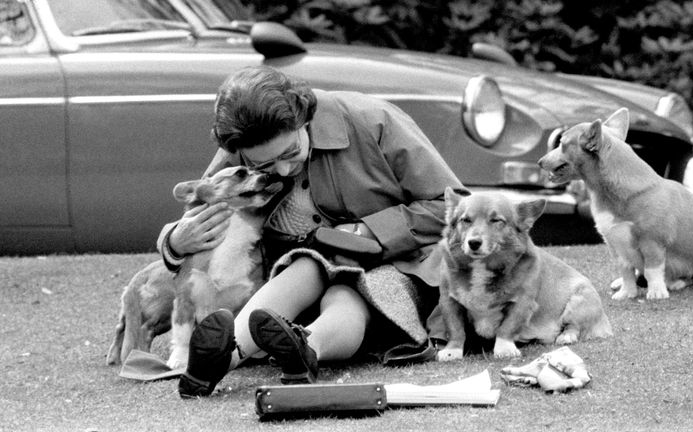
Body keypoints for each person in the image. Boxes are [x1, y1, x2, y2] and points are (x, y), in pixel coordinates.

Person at [157, 65, 465, 398]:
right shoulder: (245, 141)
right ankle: (220, 359)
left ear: (304, 117)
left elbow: (453, 206)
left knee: (348, 293)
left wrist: (369, 230)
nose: (283, 170)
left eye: (290, 153)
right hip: (298, 272)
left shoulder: (372, 119)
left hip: (395, 262)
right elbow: (201, 209)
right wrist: (174, 242)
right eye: (264, 166)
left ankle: (306, 347)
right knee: (306, 265)